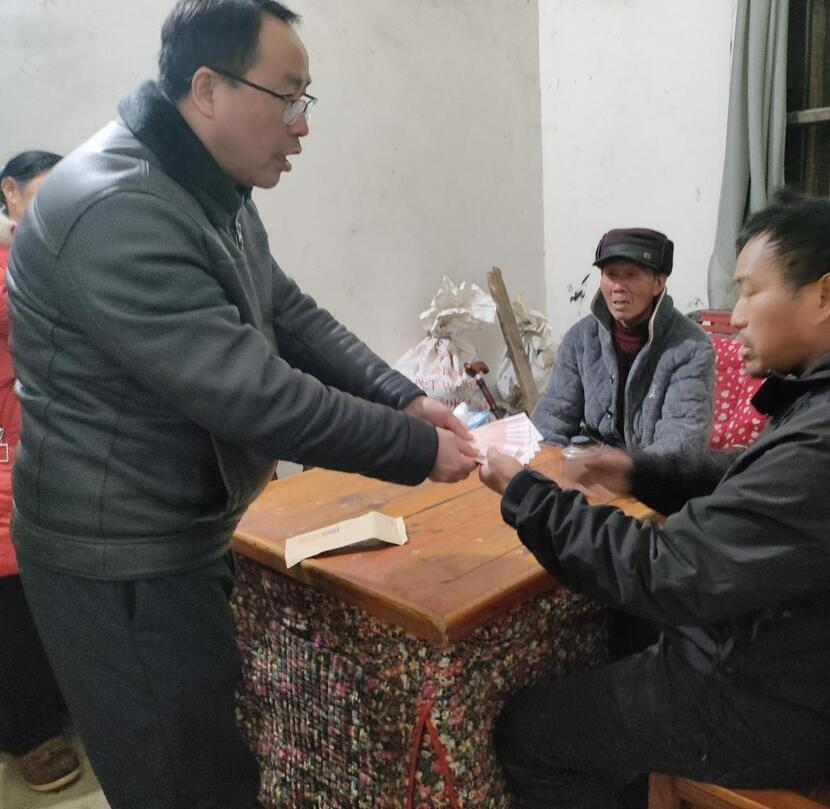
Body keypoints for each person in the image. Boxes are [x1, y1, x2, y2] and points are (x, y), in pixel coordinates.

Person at [5, 2, 477, 807]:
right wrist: (419, 450)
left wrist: (402, 396)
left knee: (212, 751)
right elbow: (255, 396)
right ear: (207, 88)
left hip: (178, 528)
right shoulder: (115, 208)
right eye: (288, 96)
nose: (302, 125)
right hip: (120, 559)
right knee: (181, 779)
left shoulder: (203, 181)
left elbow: (286, 311)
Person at [479, 191, 830, 808]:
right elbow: (758, 476)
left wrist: (527, 496)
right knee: (620, 631)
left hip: (769, 705)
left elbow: (668, 570)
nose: (734, 317)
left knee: (528, 731)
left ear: (825, 294)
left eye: (750, 291)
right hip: (814, 664)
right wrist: (640, 472)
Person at [0, 150, 82, 794]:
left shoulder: (68, 247)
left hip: (58, 439)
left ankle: (67, 701)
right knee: (12, 591)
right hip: (8, 445)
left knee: (63, 585)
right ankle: (29, 731)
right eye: (45, 193)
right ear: (10, 192)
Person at [531, 227, 714, 454]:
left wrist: (623, 470)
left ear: (658, 283)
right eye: (611, 274)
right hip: (589, 463)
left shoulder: (691, 347)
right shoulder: (580, 338)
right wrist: (546, 466)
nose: (618, 287)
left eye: (631, 275)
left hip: (652, 472)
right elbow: (551, 420)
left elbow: (681, 440)